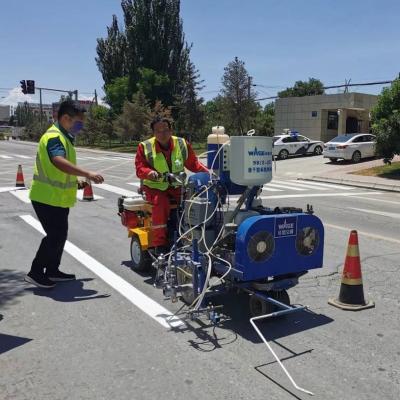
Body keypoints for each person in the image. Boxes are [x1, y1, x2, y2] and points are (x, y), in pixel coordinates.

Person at [25, 100, 104, 289]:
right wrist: (87, 173)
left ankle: (52, 270)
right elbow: (58, 161)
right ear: (66, 118)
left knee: (60, 235)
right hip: (46, 197)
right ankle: (35, 273)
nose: (81, 126)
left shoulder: (63, 136)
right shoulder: (55, 137)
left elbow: (59, 172)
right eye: (79, 122)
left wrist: (77, 182)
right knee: (54, 235)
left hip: (56, 198)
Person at [135, 117, 208, 254]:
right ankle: (160, 244)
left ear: (171, 130)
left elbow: (193, 164)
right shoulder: (145, 146)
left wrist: (209, 173)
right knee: (161, 203)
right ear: (153, 132)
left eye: (166, 130)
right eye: (158, 131)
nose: (163, 134)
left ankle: (187, 236)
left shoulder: (181, 144)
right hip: (155, 187)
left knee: (193, 202)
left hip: (177, 186)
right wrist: (149, 173)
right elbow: (140, 168)